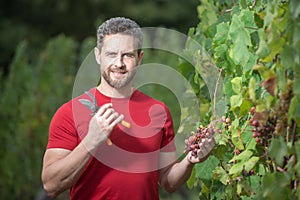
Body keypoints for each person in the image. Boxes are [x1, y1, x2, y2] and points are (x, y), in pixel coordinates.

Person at [41, 17, 215, 200]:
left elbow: (167, 181)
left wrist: (189, 161)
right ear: (97, 56)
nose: (119, 63)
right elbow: (51, 185)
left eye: (128, 55)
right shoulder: (69, 113)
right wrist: (91, 141)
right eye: (111, 54)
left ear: (139, 58)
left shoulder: (158, 111)